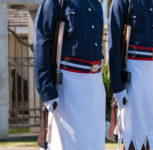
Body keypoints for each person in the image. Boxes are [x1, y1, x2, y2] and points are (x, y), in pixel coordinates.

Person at [34, 0, 105, 149]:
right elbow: (42, 43)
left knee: (94, 142)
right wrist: (47, 91)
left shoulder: (96, 4)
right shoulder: (56, 2)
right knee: (69, 143)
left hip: (95, 84)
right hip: (69, 85)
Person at [108, 0, 153, 149]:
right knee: (133, 133)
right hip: (134, 72)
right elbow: (114, 44)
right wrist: (117, 86)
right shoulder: (122, 1)